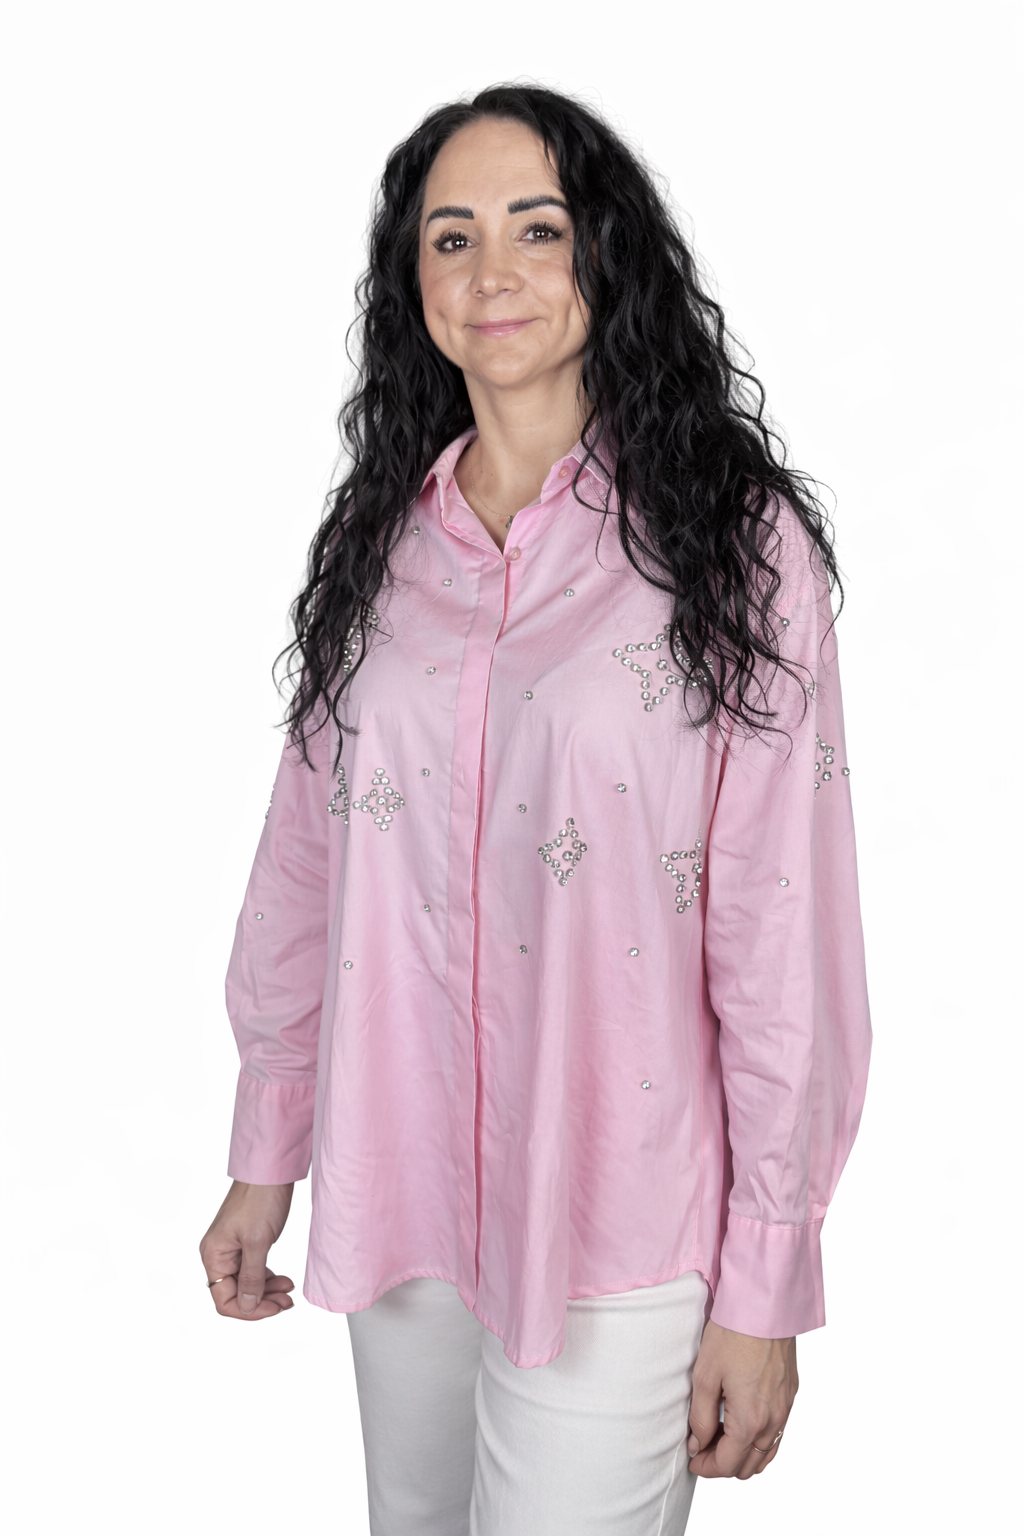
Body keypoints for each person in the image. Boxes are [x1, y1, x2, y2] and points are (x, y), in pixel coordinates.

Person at [199, 85, 871, 1536]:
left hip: (618, 1214)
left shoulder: (735, 549)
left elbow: (781, 929)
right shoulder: (382, 545)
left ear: (606, 253)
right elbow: (304, 865)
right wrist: (266, 1151)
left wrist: (768, 1278)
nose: (492, 270)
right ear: (414, 283)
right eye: (451, 237)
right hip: (403, 1188)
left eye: (537, 228)